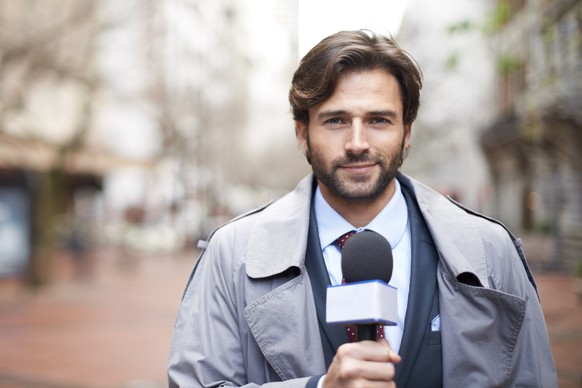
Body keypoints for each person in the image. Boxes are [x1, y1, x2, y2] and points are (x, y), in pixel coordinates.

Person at [168, 30, 557, 387]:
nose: (357, 143)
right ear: (303, 133)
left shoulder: (492, 251)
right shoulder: (233, 254)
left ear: (407, 133)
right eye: (336, 120)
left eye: (378, 120)